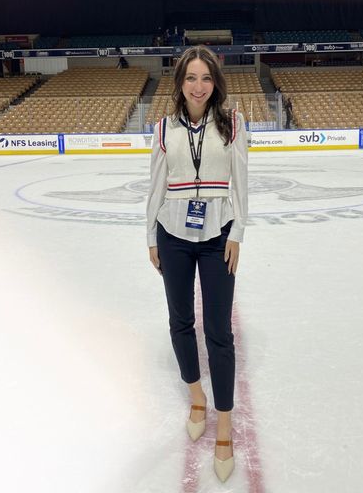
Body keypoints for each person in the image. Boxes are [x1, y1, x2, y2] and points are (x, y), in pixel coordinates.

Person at [146, 45, 248, 483]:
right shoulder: (164, 128)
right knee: (180, 322)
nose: (199, 85)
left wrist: (238, 233)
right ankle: (196, 397)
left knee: (219, 332)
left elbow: (242, 181)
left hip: (218, 235)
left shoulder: (233, 123)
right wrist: (151, 236)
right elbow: (155, 184)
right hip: (172, 234)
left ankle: (223, 423)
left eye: (206, 78)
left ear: (215, 83)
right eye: (191, 77)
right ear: (180, 83)